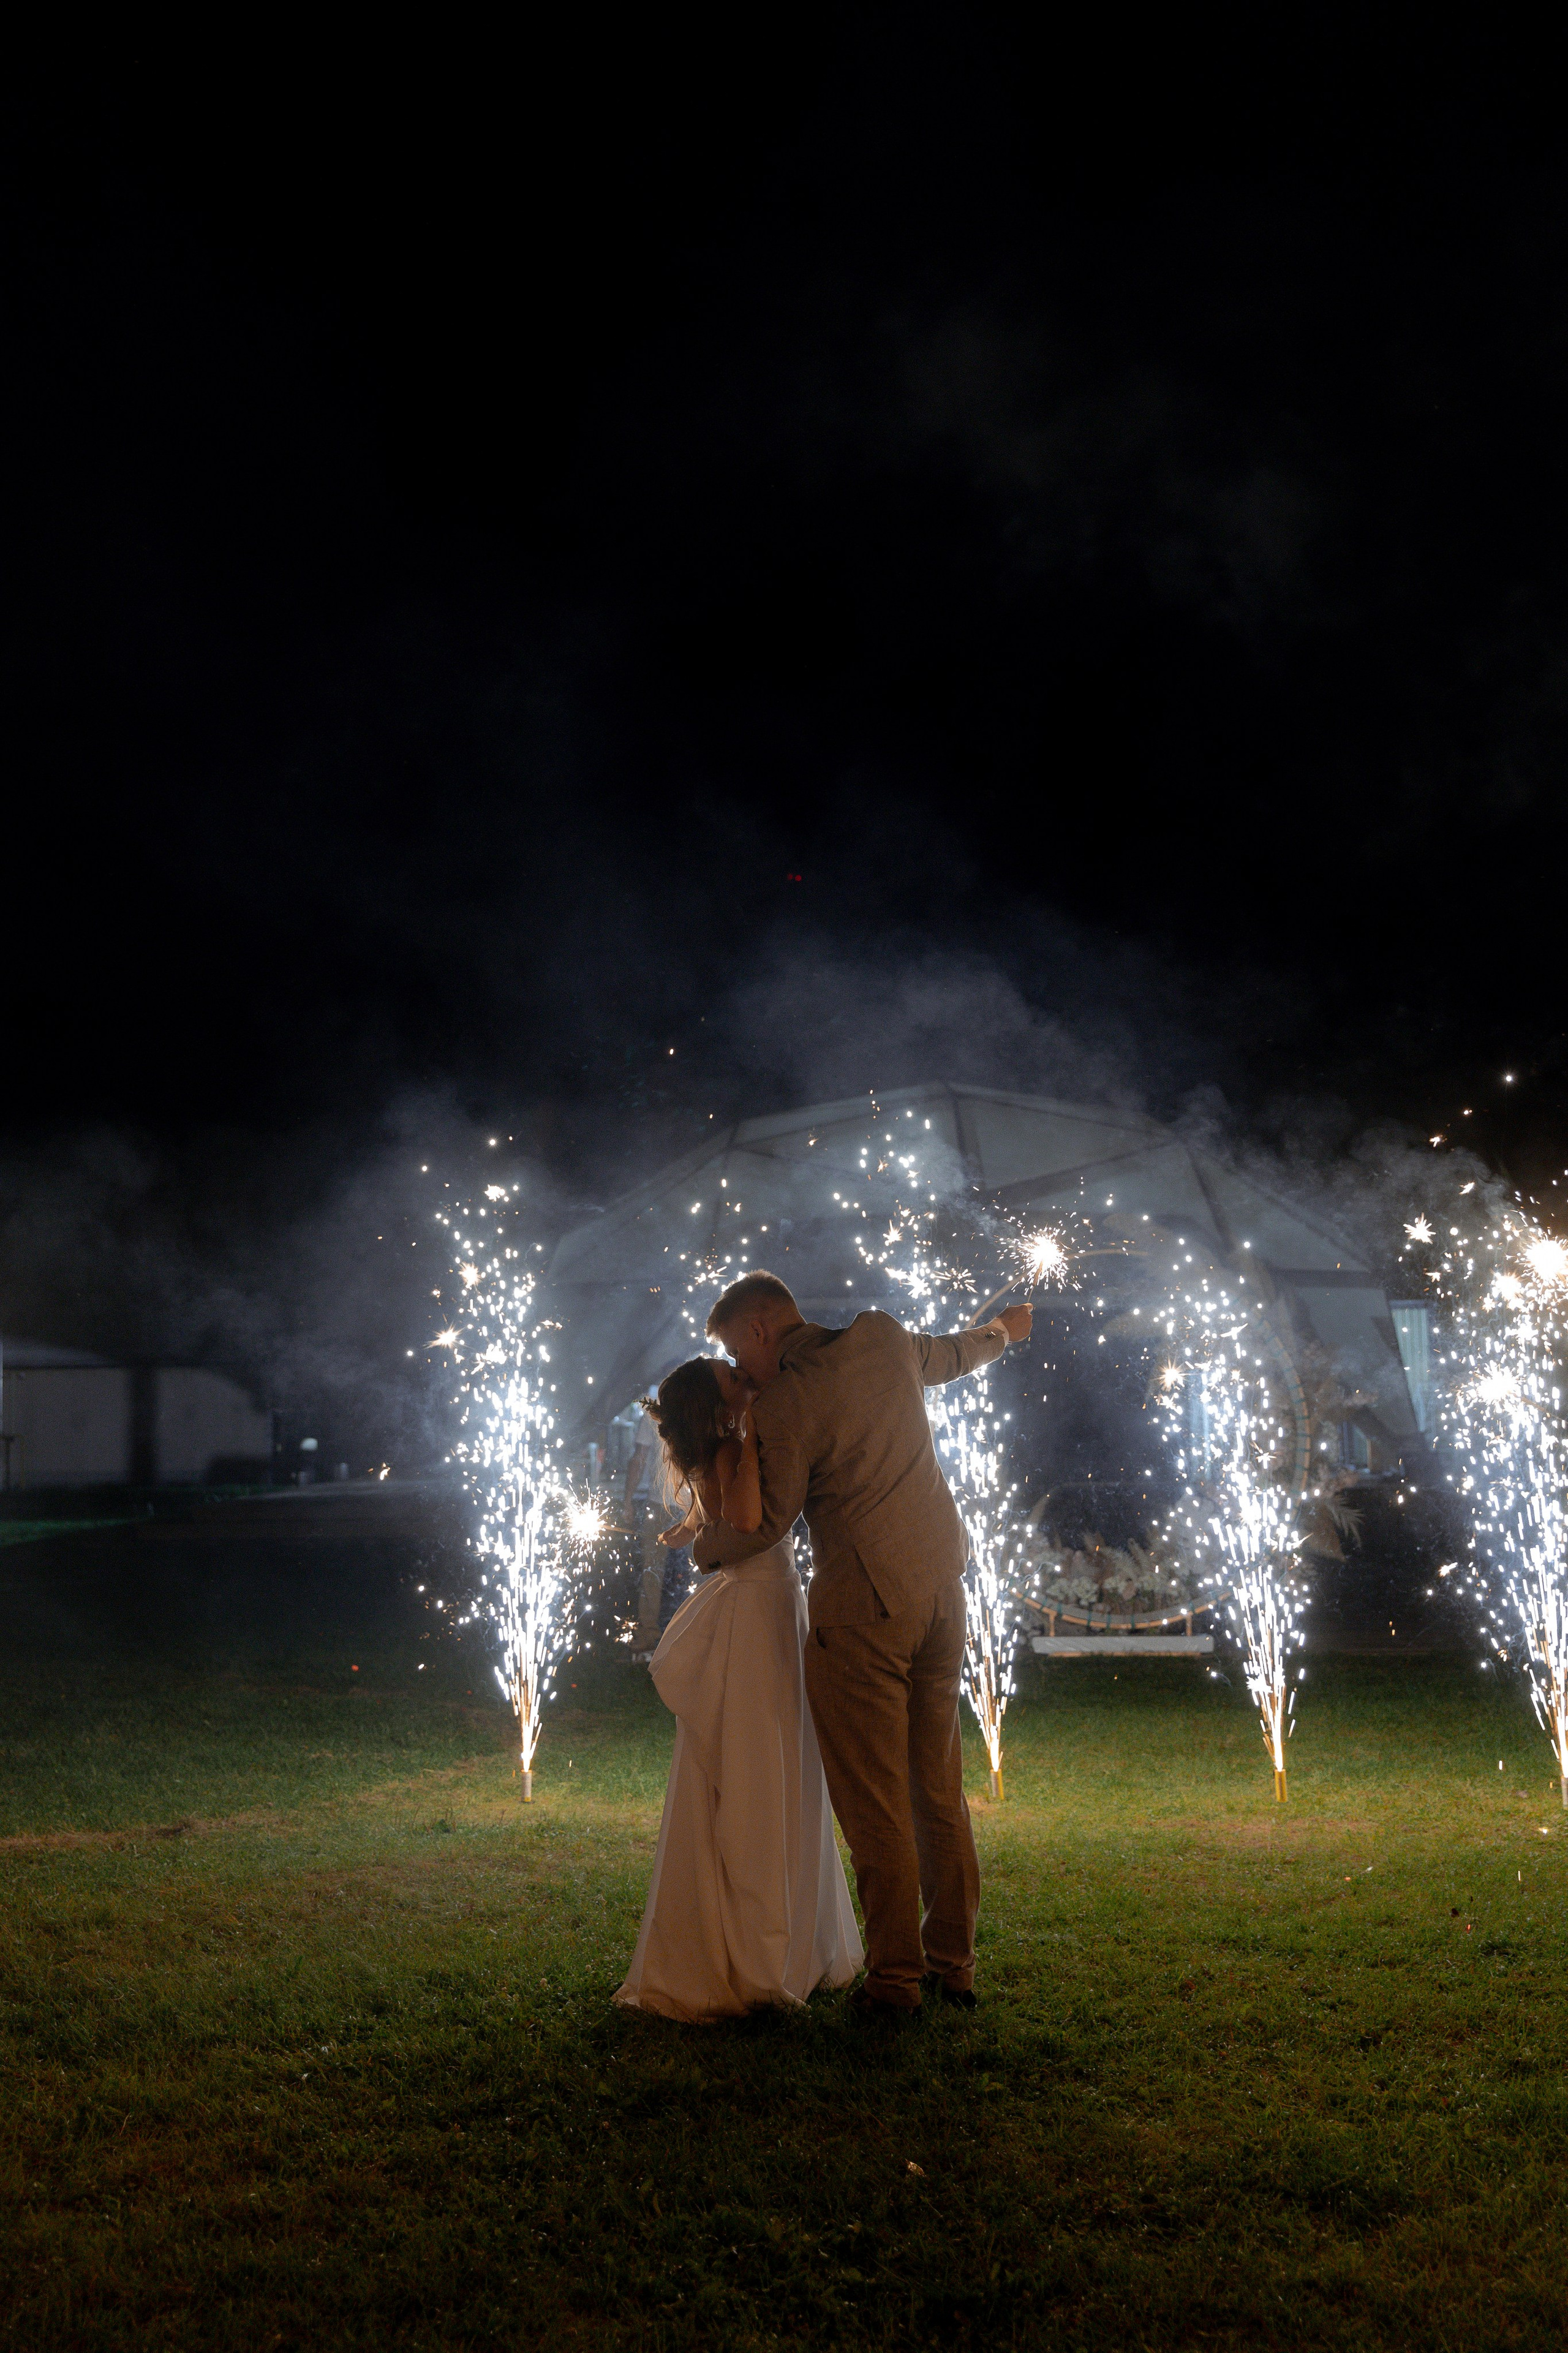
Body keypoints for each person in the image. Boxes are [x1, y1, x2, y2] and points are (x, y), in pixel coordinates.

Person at [692, 1271, 1032, 2020]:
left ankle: (894, 1982)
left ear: (757, 1330)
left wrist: (700, 1545)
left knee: (877, 1805)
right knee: (937, 1789)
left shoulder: (787, 1400)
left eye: (732, 1349)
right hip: (943, 1589)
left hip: (861, 1616)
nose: (738, 1369)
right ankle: (956, 1965)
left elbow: (767, 1522)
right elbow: (949, 1355)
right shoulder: (881, 1337)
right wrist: (1003, 1331)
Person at [614, 1354, 863, 2021]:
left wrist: (692, 1526)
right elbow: (748, 1519)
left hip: (767, 1606)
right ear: (716, 1404)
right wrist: (752, 1438)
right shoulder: (732, 1449)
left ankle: (776, 1936)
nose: (742, 1373)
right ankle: (765, 1951)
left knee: (768, 1755)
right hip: (760, 1612)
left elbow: (714, 1520)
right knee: (764, 1760)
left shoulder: (712, 1453)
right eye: (731, 1375)